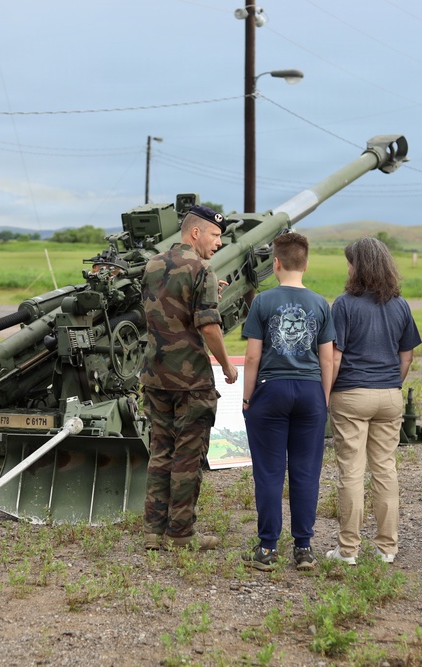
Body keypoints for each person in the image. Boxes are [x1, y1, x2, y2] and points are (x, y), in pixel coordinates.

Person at [141, 204, 238, 551]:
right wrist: (226, 366)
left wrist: (211, 291)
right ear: (195, 232)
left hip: (155, 375)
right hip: (191, 381)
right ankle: (181, 534)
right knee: (188, 456)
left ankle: (154, 531)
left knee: (161, 451)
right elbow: (208, 325)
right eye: (214, 235)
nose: (218, 243)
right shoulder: (202, 270)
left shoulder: (152, 264)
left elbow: (167, 307)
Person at [240, 232, 335, 571]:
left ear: (275, 264)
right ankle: (304, 547)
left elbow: (252, 358)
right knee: (306, 471)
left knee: (269, 471)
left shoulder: (262, 303)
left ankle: (267, 549)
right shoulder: (322, 304)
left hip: (271, 390)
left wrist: (248, 397)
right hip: (310, 392)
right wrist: (322, 399)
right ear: (306, 264)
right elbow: (328, 360)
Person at [326, 237, 421, 566]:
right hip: (390, 396)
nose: (348, 267)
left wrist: (326, 394)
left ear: (359, 267)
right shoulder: (400, 304)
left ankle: (348, 550)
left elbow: (334, 358)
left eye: (350, 262)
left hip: (351, 394)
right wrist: (393, 383)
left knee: (351, 472)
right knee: (385, 470)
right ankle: (387, 547)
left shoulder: (343, 304)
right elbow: (406, 356)